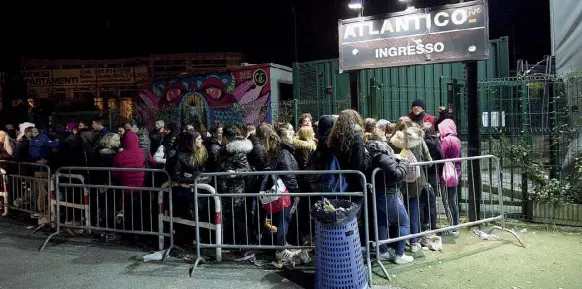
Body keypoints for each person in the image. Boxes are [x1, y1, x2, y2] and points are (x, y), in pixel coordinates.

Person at [366, 140, 414, 264]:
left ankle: (382, 252)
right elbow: (395, 174)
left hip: (377, 193)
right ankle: (400, 254)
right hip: (387, 194)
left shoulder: (371, 155)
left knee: (382, 221)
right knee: (404, 222)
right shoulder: (382, 156)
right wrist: (404, 162)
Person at [390, 118, 432, 252]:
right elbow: (429, 161)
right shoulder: (418, 140)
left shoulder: (392, 142)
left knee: (398, 212)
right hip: (416, 181)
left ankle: (399, 242)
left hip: (397, 180)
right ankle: (413, 242)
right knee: (413, 210)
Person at [438, 119, 463, 236]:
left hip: (446, 173)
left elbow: (441, 156)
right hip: (456, 172)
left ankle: (452, 226)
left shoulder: (446, 141)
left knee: (447, 200)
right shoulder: (457, 140)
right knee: (453, 200)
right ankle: (456, 225)